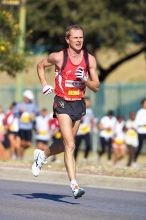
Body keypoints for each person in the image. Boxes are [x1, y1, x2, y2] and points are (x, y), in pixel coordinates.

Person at [31, 24, 100, 199]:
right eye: (75, 37)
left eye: (81, 37)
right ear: (67, 39)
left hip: (78, 104)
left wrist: (84, 79)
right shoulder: (58, 57)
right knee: (70, 145)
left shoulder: (89, 59)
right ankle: (75, 185)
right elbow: (40, 66)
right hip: (61, 103)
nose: (79, 40)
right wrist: (45, 84)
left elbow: (96, 86)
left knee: (64, 145)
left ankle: (43, 155)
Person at [14, 90, 39, 159]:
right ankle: (20, 157)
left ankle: (20, 155)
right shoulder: (19, 105)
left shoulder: (33, 106)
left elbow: (37, 113)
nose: (28, 99)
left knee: (28, 144)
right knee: (22, 142)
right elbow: (15, 115)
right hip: (21, 126)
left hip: (29, 127)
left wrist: (34, 114)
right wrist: (19, 112)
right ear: (24, 97)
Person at [74, 96, 95, 162]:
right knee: (76, 146)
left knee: (88, 145)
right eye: (88, 102)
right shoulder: (79, 109)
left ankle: (85, 158)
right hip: (79, 131)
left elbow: (92, 119)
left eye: (89, 102)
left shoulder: (90, 110)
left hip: (86, 131)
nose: (89, 103)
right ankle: (75, 159)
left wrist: (93, 127)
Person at [134, 98, 146, 163]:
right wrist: (143, 124)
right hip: (141, 132)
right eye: (145, 103)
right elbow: (137, 122)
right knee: (140, 147)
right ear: (142, 104)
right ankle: (134, 160)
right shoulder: (140, 112)